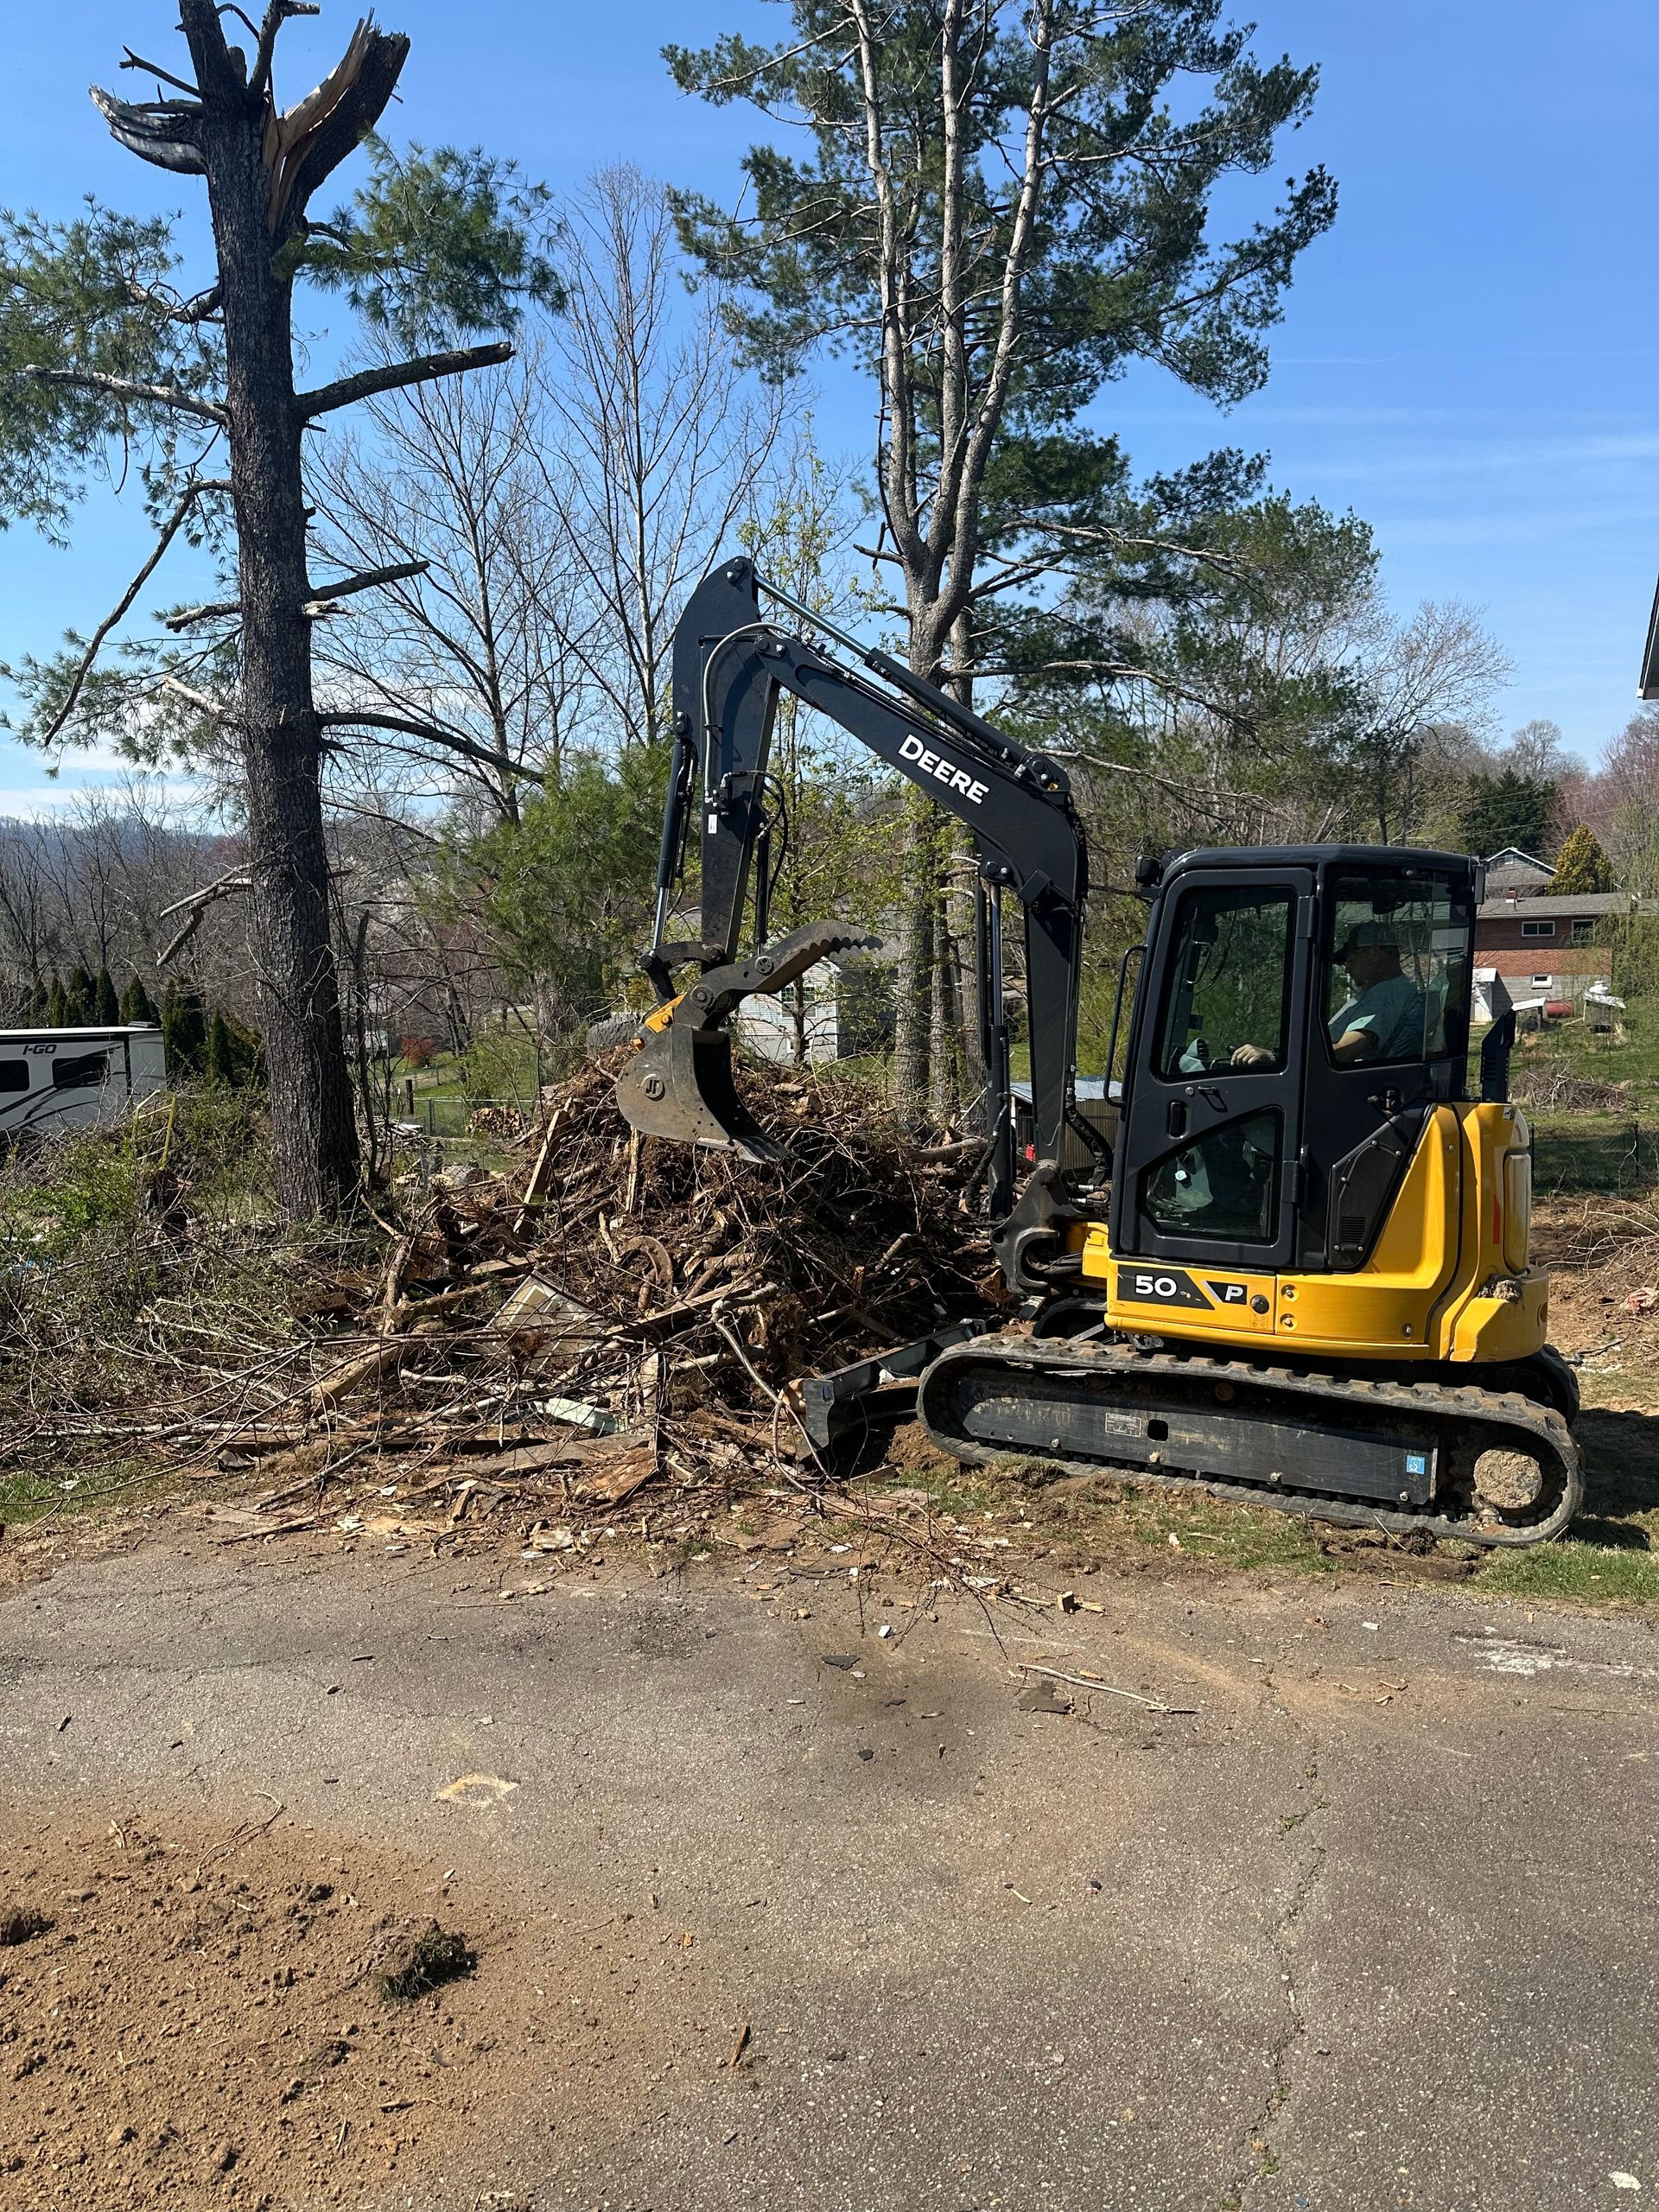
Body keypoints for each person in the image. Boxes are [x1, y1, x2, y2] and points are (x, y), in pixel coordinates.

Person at [1230, 920, 1423, 1070]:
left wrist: (1277, 1058)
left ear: (1374, 952)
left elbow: (1344, 1053)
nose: (1347, 970)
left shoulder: (1388, 994)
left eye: (1350, 959)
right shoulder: (1381, 992)